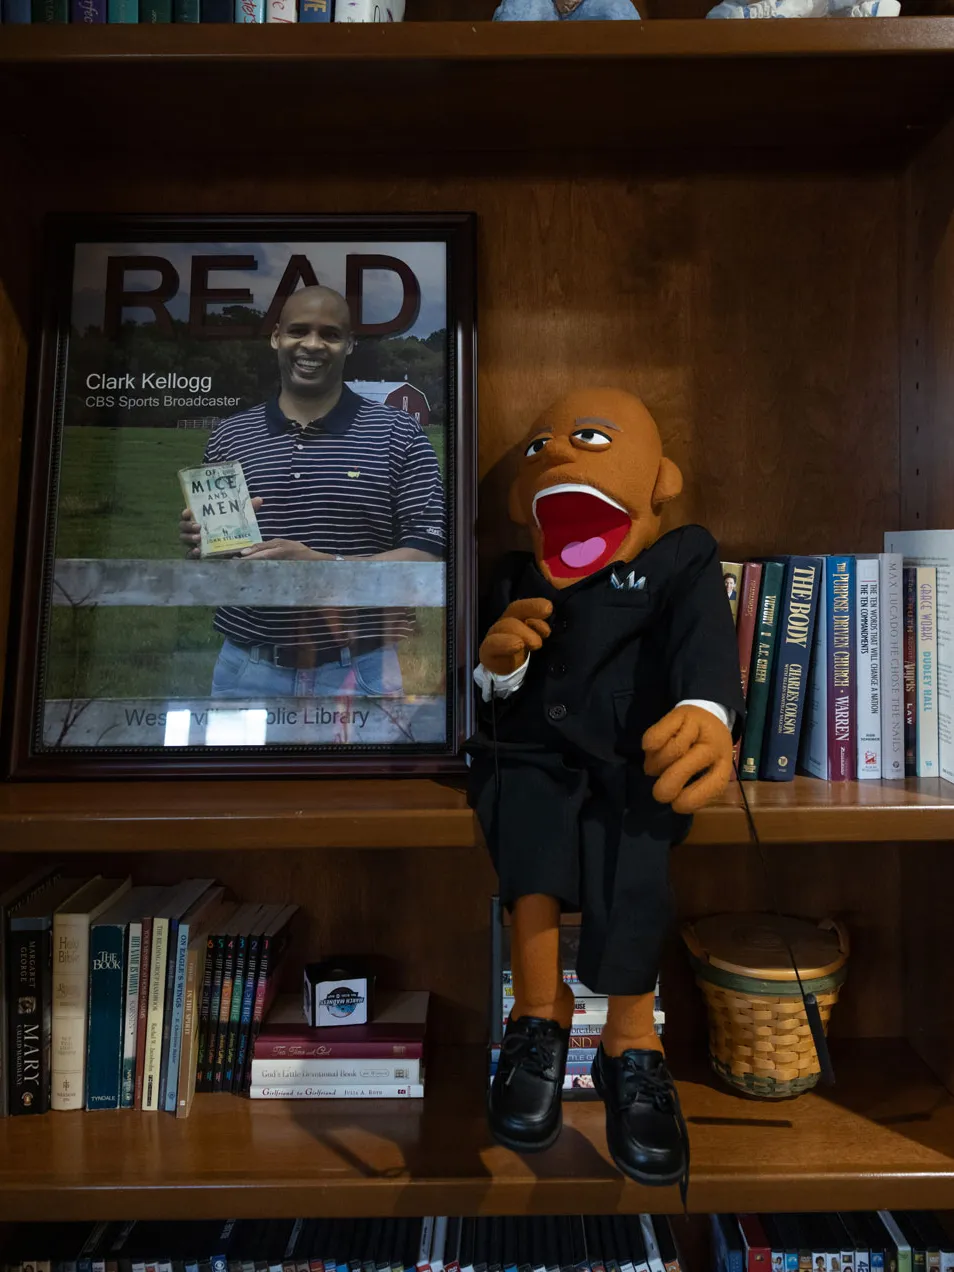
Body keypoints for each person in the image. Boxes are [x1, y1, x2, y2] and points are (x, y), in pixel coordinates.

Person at [179, 285, 444, 700]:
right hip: (246, 668)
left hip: (360, 669)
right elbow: (223, 562)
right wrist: (205, 543)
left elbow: (428, 555)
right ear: (276, 337)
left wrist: (319, 565)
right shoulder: (231, 435)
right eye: (298, 330)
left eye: (330, 334)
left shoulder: (398, 434)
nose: (313, 345)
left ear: (349, 344)